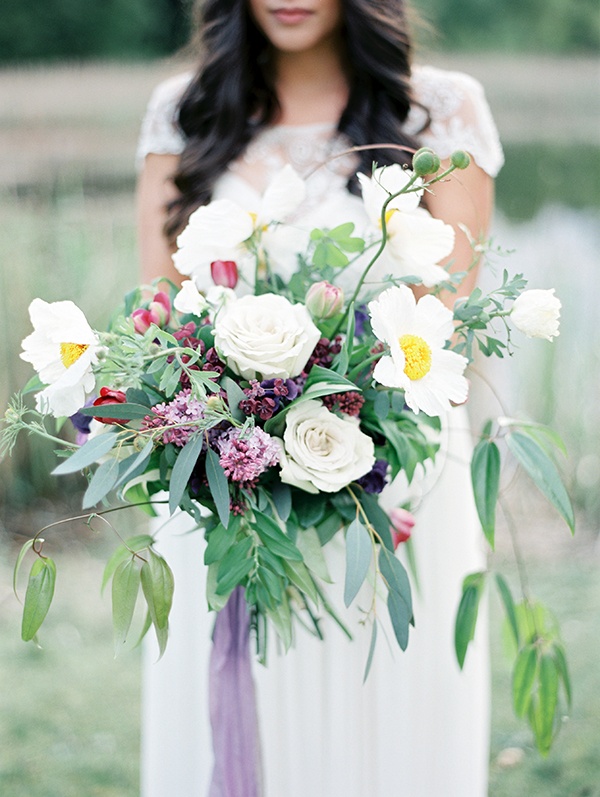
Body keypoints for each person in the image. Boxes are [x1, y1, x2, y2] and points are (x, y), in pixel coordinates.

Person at [136, 1, 504, 795]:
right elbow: (160, 310)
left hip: (393, 477)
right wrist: (245, 419)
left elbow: (451, 315)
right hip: (226, 480)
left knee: (389, 712)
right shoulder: (184, 111)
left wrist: (331, 408)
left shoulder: (440, 111)